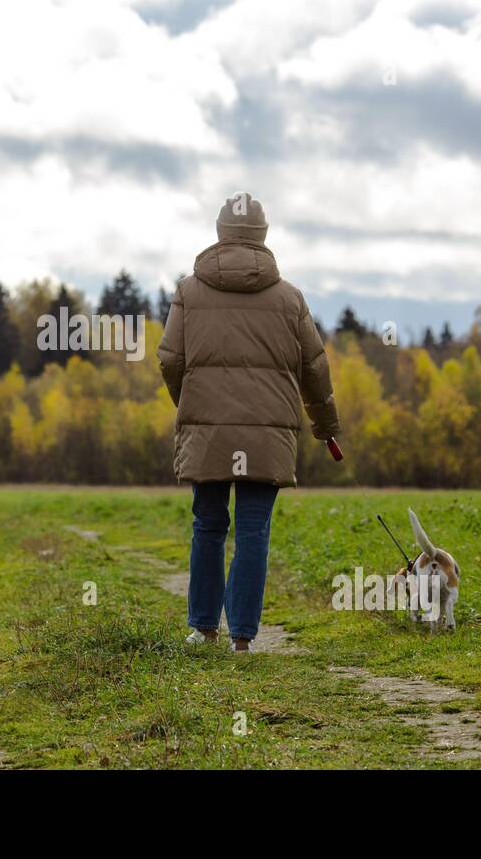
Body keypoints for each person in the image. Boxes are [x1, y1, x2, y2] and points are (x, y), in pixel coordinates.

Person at [157, 192, 340, 651]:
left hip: (208, 432)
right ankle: (242, 640)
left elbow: (169, 361)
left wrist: (193, 407)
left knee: (208, 526)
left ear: (220, 233)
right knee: (254, 529)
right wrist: (326, 427)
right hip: (268, 434)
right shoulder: (289, 297)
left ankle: (203, 628)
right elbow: (314, 370)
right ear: (262, 236)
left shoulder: (188, 292)